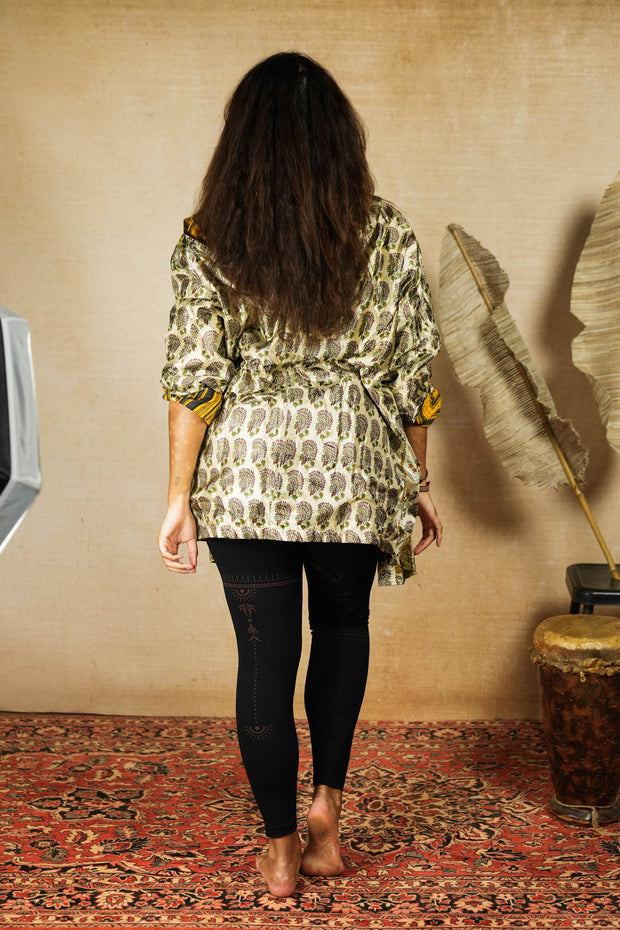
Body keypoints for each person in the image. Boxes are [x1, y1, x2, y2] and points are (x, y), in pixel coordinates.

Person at [158, 51, 442, 898]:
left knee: (263, 659)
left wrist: (178, 499)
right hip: (352, 466)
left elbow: (194, 379)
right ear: (341, 140)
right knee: (343, 630)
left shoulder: (209, 236)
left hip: (246, 470)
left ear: (241, 139)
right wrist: (416, 483)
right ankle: (327, 811)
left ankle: (280, 852)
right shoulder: (385, 231)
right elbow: (412, 372)